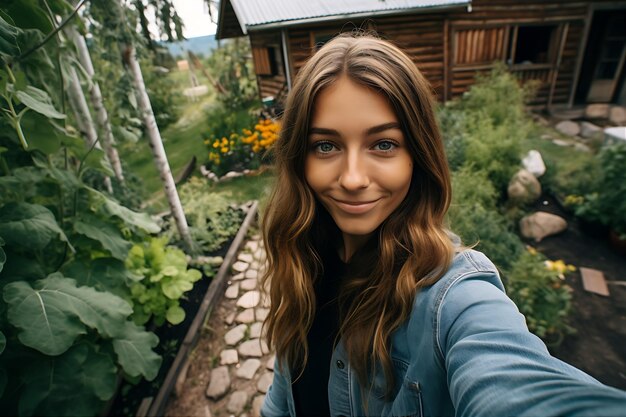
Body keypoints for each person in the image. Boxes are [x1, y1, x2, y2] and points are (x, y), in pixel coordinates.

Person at [259, 33, 626, 417]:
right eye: (326, 146)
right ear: (300, 158)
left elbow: (515, 381)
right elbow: (284, 394)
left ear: (417, 155)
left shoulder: (450, 299)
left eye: (383, 144)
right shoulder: (304, 257)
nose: (352, 179)